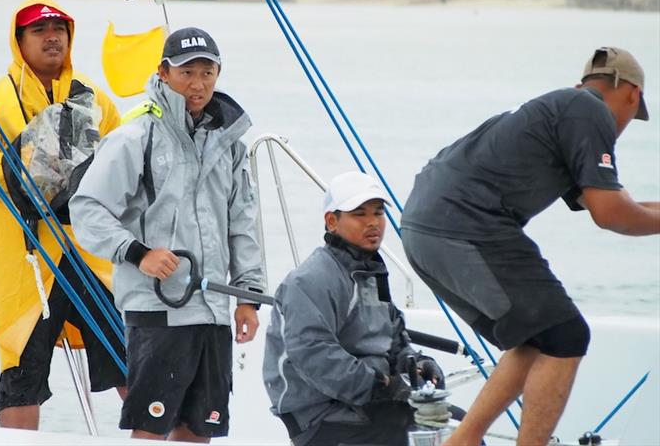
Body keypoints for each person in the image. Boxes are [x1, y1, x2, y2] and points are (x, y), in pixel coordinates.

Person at [401, 47, 660, 446]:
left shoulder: (563, 109)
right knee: (567, 334)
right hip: (465, 223)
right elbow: (611, 215)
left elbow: (617, 204)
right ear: (631, 94)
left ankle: (462, 441)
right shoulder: (590, 112)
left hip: (424, 228)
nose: (625, 125)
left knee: (535, 337)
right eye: (634, 112)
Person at [69, 26, 266, 442]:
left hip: (213, 310)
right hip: (158, 309)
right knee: (152, 427)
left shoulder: (229, 142)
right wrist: (138, 253)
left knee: (199, 430)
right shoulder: (135, 135)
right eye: (186, 72)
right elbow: (88, 207)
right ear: (163, 72)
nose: (197, 84)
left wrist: (247, 298)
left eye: (207, 72)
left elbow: (243, 222)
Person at [0, 0, 126, 429]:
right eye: (39, 31)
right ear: (19, 40)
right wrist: (18, 166)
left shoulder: (95, 99)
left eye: (60, 30)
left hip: (88, 256)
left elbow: (124, 162)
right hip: (25, 260)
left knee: (131, 355)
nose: (52, 38)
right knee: (21, 370)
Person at [263, 171, 445, 446]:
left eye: (379, 212)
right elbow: (315, 354)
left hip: (367, 405)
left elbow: (395, 341)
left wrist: (415, 363)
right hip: (320, 417)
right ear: (332, 221)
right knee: (437, 436)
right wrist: (381, 386)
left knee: (462, 428)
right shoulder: (311, 279)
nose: (373, 222)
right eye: (359, 214)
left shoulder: (370, 273)